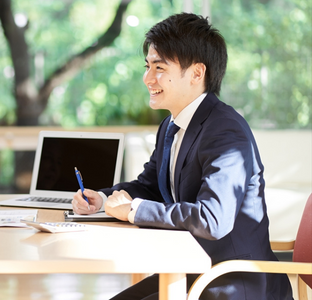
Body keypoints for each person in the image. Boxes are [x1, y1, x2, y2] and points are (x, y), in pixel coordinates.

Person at [72, 13, 293, 300]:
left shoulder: (225, 131)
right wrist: (101, 200)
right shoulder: (171, 126)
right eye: (148, 65)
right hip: (190, 270)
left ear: (197, 74)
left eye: (160, 67)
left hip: (230, 283)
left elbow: (213, 219)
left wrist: (135, 210)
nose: (148, 77)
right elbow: (150, 186)